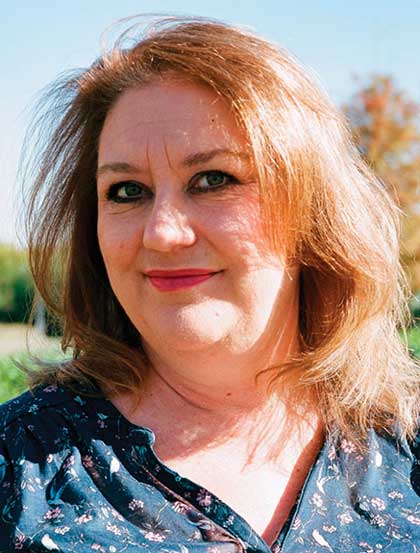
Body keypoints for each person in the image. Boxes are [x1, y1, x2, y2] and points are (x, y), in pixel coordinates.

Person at [0, 16, 419, 553]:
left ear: (314, 214)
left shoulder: (407, 447)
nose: (162, 232)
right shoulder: (19, 468)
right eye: (127, 190)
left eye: (214, 179)